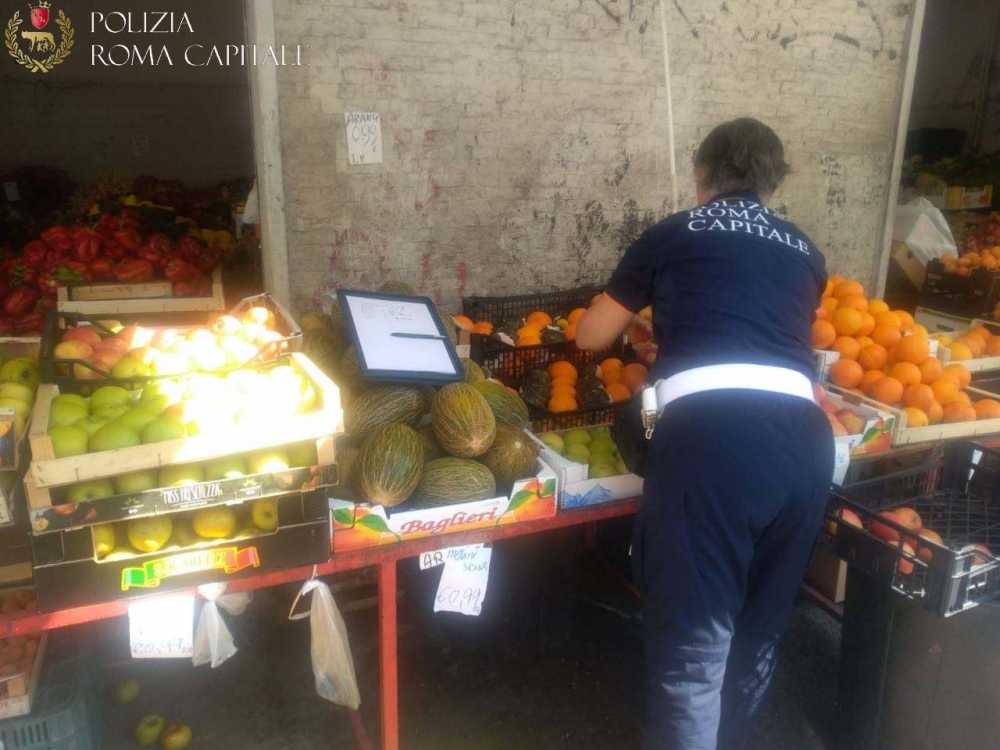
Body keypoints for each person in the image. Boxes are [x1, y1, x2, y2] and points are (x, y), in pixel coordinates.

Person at [576, 118, 834, 750]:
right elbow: (755, 327)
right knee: (757, 630)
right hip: (805, 446)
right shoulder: (805, 251)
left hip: (715, 450)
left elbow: (589, 337)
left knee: (694, 650)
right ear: (774, 183)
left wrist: (650, 320)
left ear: (700, 175)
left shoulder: (672, 232)